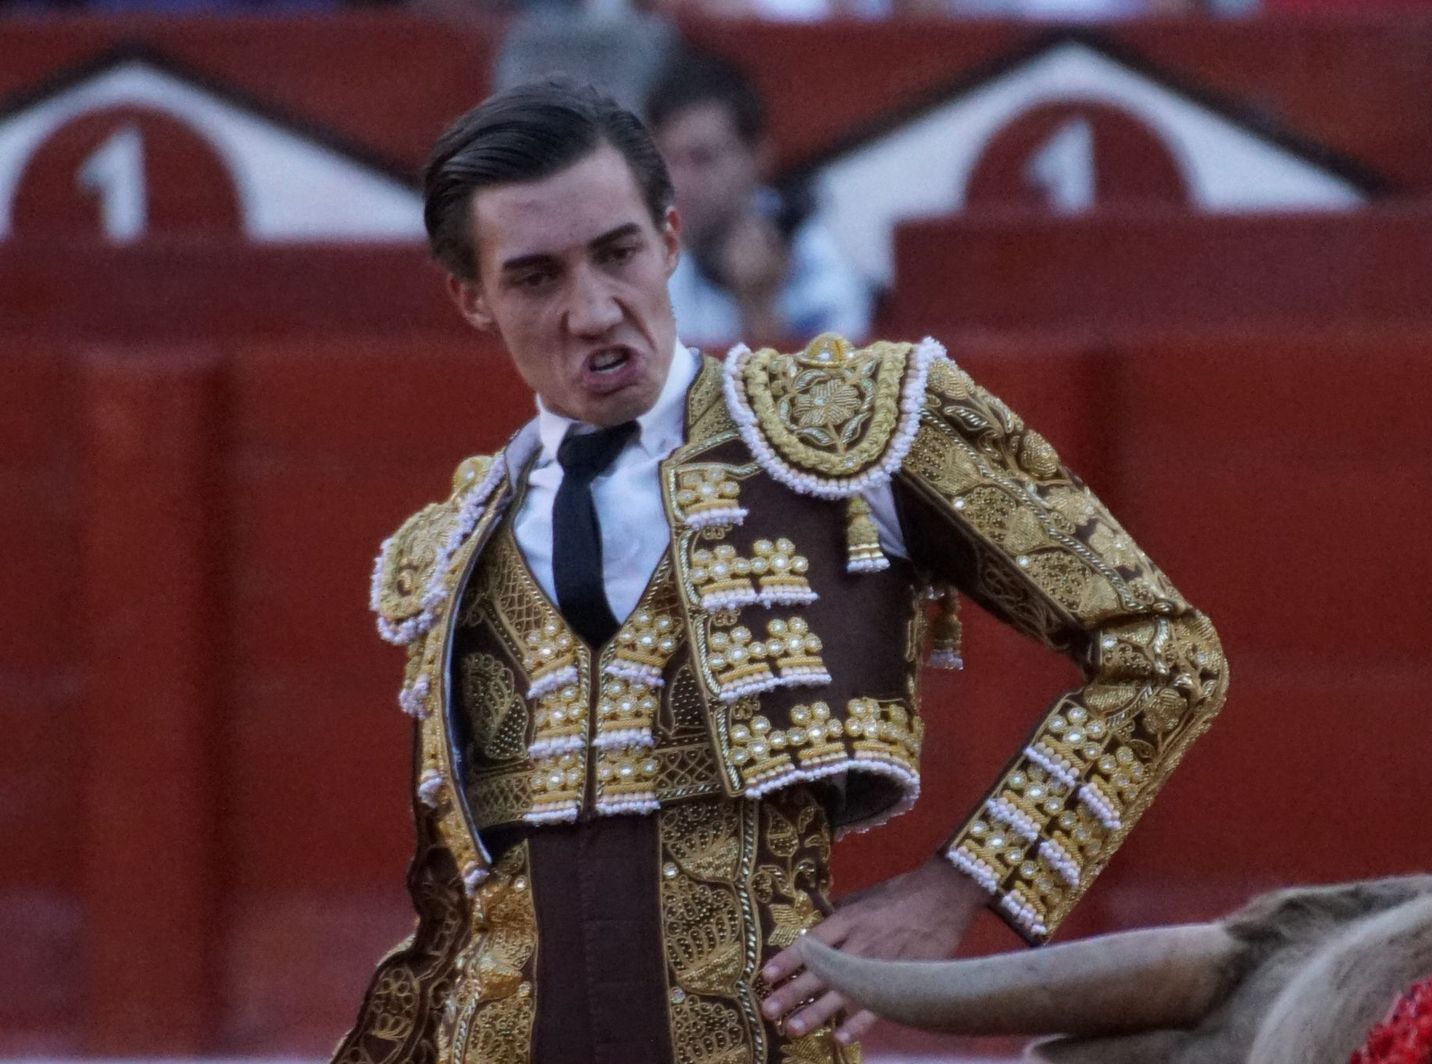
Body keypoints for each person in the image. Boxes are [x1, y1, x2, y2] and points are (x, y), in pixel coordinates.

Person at [335, 78, 1227, 1064]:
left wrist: (957, 883)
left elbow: (1162, 651)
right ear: (471, 296)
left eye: (619, 253)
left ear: (671, 238)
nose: (593, 310)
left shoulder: (845, 428)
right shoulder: (451, 544)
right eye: (536, 277)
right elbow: (457, 909)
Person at [646, 50, 873, 350]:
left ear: (756, 158)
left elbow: (822, 393)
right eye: (668, 160)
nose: (679, 182)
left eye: (702, 159)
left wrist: (758, 305)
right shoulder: (641, 256)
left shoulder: (822, 272)